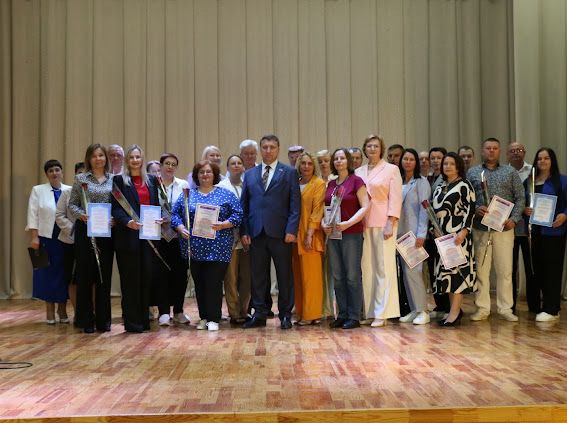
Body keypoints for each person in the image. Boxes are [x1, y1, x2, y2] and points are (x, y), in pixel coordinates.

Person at [171, 160, 243, 331]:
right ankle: (203, 317)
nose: (205, 175)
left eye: (208, 172)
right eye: (201, 172)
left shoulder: (225, 194)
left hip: (218, 247)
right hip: (194, 247)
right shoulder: (188, 194)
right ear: (196, 176)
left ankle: (213, 318)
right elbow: (175, 214)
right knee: (200, 284)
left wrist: (224, 224)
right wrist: (180, 227)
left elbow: (238, 214)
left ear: (215, 175)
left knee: (213, 283)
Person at [240, 134, 301, 330]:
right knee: (258, 277)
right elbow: (244, 206)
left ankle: (285, 315)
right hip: (256, 233)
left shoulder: (289, 172)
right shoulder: (250, 174)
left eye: (272, 147)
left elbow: (295, 205)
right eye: (265, 147)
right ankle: (259, 313)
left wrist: (292, 229)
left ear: (278, 149)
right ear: (260, 149)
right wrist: (244, 231)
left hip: (281, 233)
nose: (268, 150)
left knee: (284, 276)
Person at [467, 137, 525, 322]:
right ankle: (482, 308)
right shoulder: (473, 172)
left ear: (500, 151)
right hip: (480, 228)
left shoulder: (510, 172)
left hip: (504, 229)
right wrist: (476, 208)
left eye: (494, 148)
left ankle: (505, 308)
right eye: (488, 148)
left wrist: (514, 219)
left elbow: (520, 198)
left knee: (505, 271)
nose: (491, 151)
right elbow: (467, 199)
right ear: (482, 151)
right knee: (481, 271)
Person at [112, 144, 163, 333]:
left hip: (148, 236)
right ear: (127, 160)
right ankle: (132, 322)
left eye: (138, 157)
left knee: (146, 278)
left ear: (142, 159)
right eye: (132, 157)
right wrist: (127, 222)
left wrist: (159, 218)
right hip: (128, 236)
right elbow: (115, 208)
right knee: (130, 279)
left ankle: (144, 320)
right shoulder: (119, 180)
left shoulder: (152, 180)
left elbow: (156, 204)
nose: (135, 160)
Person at [355, 135, 403, 327]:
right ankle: (370, 310)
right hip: (363, 222)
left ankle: (382, 313)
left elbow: (396, 198)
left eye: (376, 146)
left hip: (384, 222)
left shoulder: (391, 169)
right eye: (369, 146)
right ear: (365, 149)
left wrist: (391, 222)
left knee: (383, 267)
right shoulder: (358, 171)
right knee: (367, 267)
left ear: (381, 149)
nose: (372, 149)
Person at [68, 144, 114, 333]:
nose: (98, 159)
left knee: (104, 276)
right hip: (85, 231)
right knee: (85, 276)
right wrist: (82, 216)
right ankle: (85, 320)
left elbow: (118, 205)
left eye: (101, 155)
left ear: (106, 158)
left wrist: (114, 219)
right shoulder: (81, 179)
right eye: (94, 156)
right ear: (88, 159)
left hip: (106, 233)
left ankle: (103, 321)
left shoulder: (114, 179)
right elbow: (72, 204)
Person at [321, 148, 368, 329]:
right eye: (336, 158)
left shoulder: (356, 181)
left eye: (342, 158)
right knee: (338, 276)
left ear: (348, 161)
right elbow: (325, 210)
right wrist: (323, 224)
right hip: (334, 235)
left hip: (352, 233)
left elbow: (365, 206)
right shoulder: (331, 184)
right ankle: (342, 314)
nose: (339, 161)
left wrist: (348, 223)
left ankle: (354, 316)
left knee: (352, 276)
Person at [432, 152, 477, 326]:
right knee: (448, 276)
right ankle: (453, 311)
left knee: (457, 275)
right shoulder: (440, 186)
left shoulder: (464, 185)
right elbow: (433, 212)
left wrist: (464, 231)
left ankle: (454, 312)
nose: (448, 166)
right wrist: (434, 230)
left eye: (451, 163)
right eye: (445, 164)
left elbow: (470, 210)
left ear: (458, 166)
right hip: (442, 237)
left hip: (458, 236)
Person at [26, 159, 71, 324]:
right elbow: (32, 214)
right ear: (47, 174)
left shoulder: (69, 190)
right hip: (46, 238)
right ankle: (50, 310)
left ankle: (62, 309)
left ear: (62, 172)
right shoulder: (38, 190)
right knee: (47, 275)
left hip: (65, 238)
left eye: (57, 169)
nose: (54, 173)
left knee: (64, 274)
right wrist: (34, 237)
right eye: (51, 170)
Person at [524, 148, 567, 322]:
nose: (542, 161)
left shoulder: (562, 180)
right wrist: (525, 210)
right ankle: (544, 305)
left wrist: (565, 215)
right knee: (538, 269)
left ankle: (552, 309)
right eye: (539, 158)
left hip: (554, 231)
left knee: (553, 270)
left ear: (552, 160)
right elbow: (524, 202)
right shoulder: (530, 181)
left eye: (546, 158)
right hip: (534, 232)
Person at [151, 153, 190, 325]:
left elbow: (188, 209)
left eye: (174, 164)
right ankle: (164, 312)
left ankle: (179, 311)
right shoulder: (153, 184)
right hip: (158, 236)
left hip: (178, 236)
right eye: (167, 163)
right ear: (160, 166)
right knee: (161, 275)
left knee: (180, 274)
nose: (170, 167)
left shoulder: (183, 185)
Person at [397, 149, 431, 325]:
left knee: (414, 272)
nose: (408, 162)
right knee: (405, 273)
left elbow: (425, 209)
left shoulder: (421, 182)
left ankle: (423, 310)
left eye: (411, 159)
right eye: (405, 159)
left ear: (416, 162)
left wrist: (421, 233)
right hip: (399, 233)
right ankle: (414, 309)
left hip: (414, 234)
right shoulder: (398, 180)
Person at [217, 155, 251, 324]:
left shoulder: (249, 184)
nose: (236, 165)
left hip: (248, 237)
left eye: (239, 163)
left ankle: (245, 310)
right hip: (228, 237)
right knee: (230, 278)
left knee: (247, 277)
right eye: (233, 163)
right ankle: (234, 312)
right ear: (227, 167)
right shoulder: (220, 187)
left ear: (243, 166)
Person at [292, 152, 325, 325]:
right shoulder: (295, 183)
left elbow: (318, 210)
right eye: (303, 163)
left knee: (311, 278)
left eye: (309, 164)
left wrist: (310, 233)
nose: (306, 166)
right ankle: (301, 312)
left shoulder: (318, 184)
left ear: (314, 166)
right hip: (295, 236)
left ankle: (312, 314)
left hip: (310, 235)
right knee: (298, 278)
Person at [55, 161, 86, 318]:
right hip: (70, 241)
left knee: (90, 279)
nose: (83, 176)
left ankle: (91, 312)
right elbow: (59, 215)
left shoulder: (96, 192)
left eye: (86, 173)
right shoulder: (67, 192)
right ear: (75, 175)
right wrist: (75, 231)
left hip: (91, 241)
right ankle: (78, 313)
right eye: (80, 173)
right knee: (73, 279)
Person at [507, 142, 534, 313]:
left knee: (531, 269)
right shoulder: (504, 172)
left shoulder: (533, 171)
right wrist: (520, 209)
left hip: (530, 229)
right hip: (510, 228)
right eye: (512, 151)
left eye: (520, 150)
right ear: (507, 154)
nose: (516, 153)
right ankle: (510, 307)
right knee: (510, 269)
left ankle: (534, 305)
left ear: (525, 152)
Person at [425, 146, 450, 318]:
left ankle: (449, 307)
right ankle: (439, 305)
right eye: (432, 158)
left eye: (438, 158)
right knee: (433, 268)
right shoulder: (428, 178)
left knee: (445, 268)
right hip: (430, 231)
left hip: (444, 230)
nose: (435, 161)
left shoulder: (447, 179)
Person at [316, 149, 337, 318]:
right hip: (318, 230)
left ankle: (339, 308)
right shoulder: (315, 182)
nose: (323, 163)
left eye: (326, 160)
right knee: (321, 271)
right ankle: (325, 308)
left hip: (335, 230)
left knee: (334, 271)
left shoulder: (336, 181)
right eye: (320, 161)